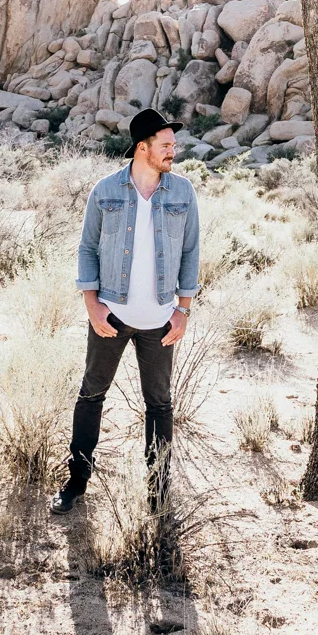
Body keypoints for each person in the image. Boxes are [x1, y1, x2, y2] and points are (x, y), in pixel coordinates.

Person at [51, 106, 201, 515]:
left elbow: (190, 254)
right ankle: (76, 481)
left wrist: (183, 311)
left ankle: (157, 490)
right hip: (110, 317)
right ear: (142, 147)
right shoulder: (105, 190)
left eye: (174, 144)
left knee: (160, 405)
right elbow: (86, 249)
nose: (174, 150)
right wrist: (92, 307)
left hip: (160, 321)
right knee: (91, 395)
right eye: (166, 144)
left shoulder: (183, 192)